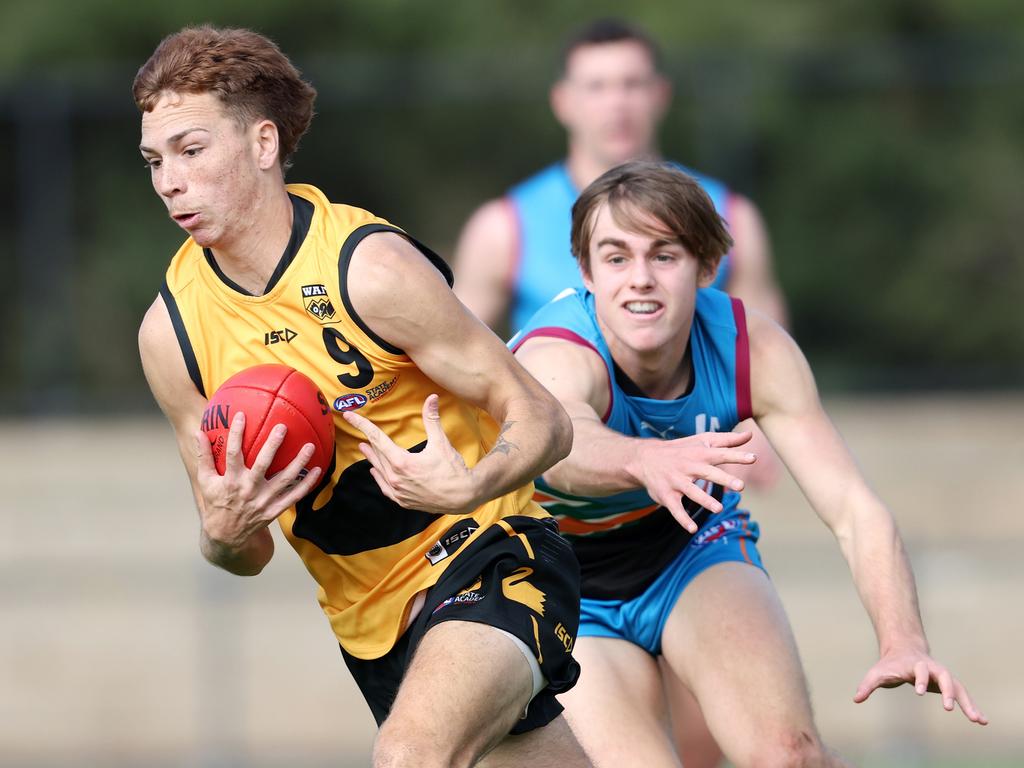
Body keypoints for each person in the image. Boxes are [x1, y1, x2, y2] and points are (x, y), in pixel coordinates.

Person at [132, 25, 624, 767]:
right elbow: (244, 552)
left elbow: (544, 419)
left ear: (263, 144)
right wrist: (223, 532)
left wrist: (474, 481)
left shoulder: (369, 270)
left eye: (191, 150)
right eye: (155, 160)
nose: (169, 180)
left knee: (410, 755)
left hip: (492, 550)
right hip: (372, 623)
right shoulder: (171, 336)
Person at [510, 160, 988, 768]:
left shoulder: (752, 348)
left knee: (790, 757)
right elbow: (563, 441)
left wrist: (902, 640)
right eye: (616, 258)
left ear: (707, 267)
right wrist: (643, 459)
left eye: (665, 256)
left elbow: (853, 509)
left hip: (686, 547)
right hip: (560, 574)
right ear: (586, 272)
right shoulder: (557, 352)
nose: (640, 280)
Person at [453, 18, 783, 762]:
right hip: (570, 525)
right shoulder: (503, 227)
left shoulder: (730, 216)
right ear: (564, 101)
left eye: (633, 83)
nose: (618, 104)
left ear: (659, 95)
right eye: (598, 86)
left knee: (720, 740)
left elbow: (761, 333)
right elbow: (460, 365)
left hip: (691, 518)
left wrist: (760, 436)